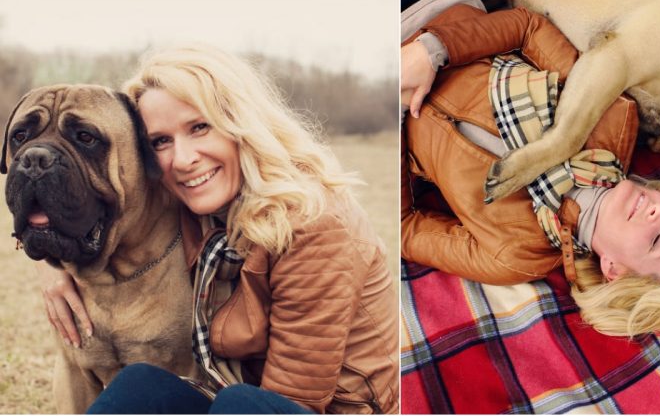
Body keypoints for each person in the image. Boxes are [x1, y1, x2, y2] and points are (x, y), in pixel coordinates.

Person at [36, 44, 398, 413]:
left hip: (314, 407)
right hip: (234, 394)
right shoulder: (196, 200)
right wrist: (56, 268)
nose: (183, 159)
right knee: (139, 385)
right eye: (161, 141)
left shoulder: (315, 226)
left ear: (240, 124)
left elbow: (293, 398)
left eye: (199, 127)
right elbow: (88, 213)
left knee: (239, 404)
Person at [401, 3, 660, 337]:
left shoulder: (514, 255)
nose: (659, 207)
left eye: (658, 240)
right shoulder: (614, 119)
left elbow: (404, 228)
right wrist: (432, 52)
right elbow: (527, 29)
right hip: (428, 0)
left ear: (614, 270)